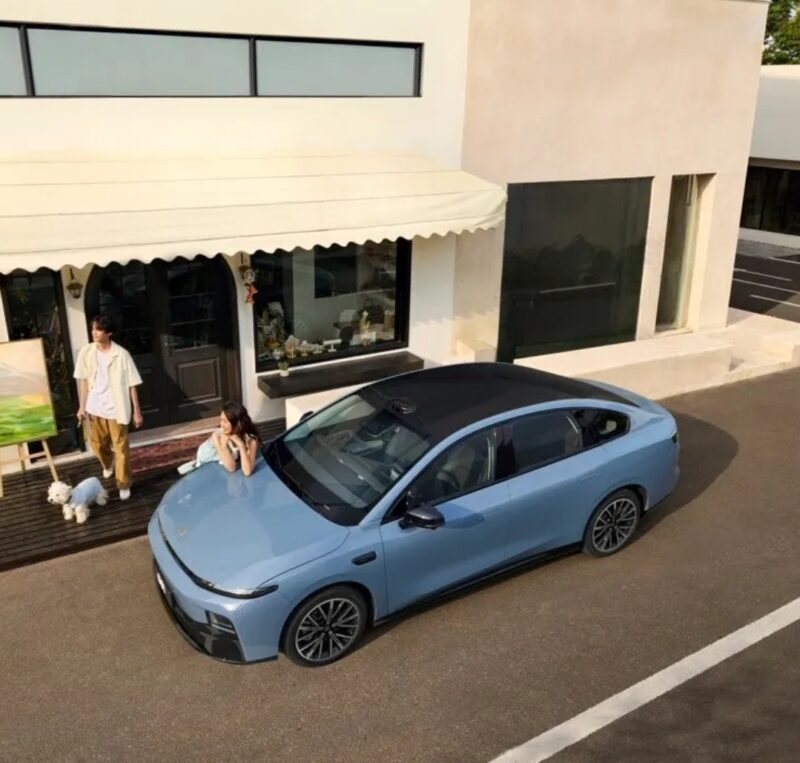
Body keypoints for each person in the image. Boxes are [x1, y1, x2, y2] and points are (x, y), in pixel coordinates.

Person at [74, 314, 143, 500]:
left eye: (98, 329)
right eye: (93, 329)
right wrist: (81, 407)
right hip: (94, 408)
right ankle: (108, 464)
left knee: (121, 448)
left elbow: (132, 384)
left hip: (116, 410)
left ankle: (123, 483)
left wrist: (137, 412)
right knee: (97, 445)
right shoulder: (86, 352)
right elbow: (83, 382)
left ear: (109, 332)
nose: (94, 333)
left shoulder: (122, 354)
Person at [177, 402, 261, 477]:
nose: (222, 425)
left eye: (225, 422)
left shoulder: (250, 439)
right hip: (205, 464)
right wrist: (223, 446)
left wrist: (241, 446)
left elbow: (247, 472)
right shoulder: (218, 436)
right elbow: (231, 468)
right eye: (221, 420)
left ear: (238, 423)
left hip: (219, 468)